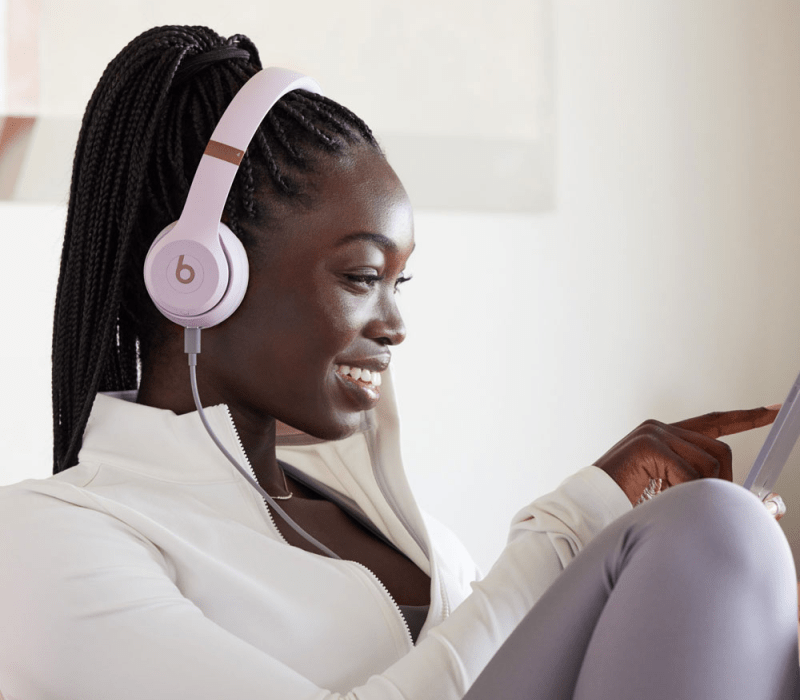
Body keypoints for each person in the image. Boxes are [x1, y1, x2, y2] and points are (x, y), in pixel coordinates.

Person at [0, 25, 797, 700]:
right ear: (198, 274)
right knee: (711, 527)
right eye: (360, 277)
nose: (394, 324)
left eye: (399, 282)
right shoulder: (48, 539)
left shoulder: (407, 532)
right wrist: (567, 527)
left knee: (722, 548)